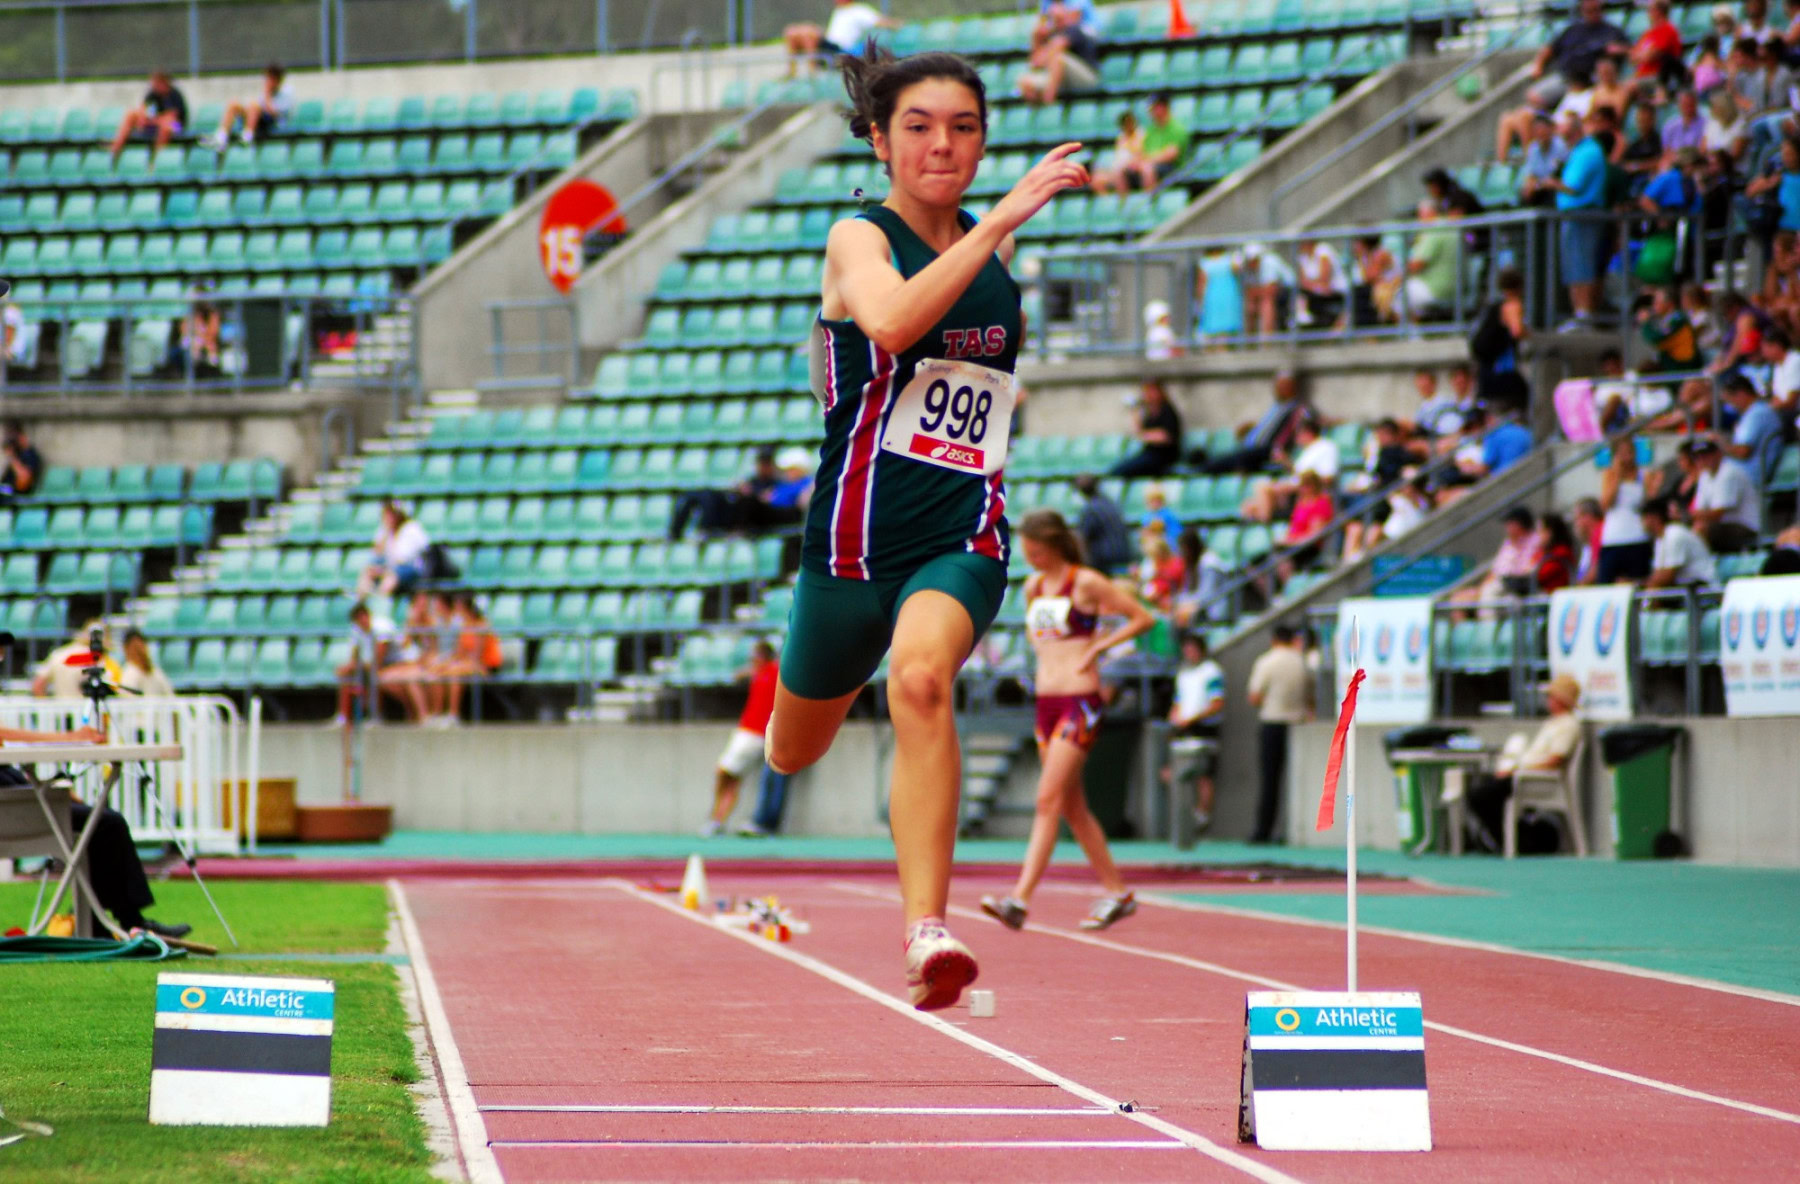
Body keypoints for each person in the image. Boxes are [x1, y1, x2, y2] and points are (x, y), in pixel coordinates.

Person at [762, 47, 1086, 1011]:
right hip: (849, 547)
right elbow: (896, 325)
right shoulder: (858, 240)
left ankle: (926, 931)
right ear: (879, 137)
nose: (943, 145)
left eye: (964, 127)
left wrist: (992, 234)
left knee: (920, 677)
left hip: (960, 533)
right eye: (919, 126)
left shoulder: (998, 250)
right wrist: (1000, 222)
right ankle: (812, 703)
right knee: (791, 750)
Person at [978, 510, 1152, 932]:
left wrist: (1098, 649)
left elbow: (1143, 617)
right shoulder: (1033, 587)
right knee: (1073, 808)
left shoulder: (1086, 581)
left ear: (1053, 543)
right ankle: (1117, 892)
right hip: (1046, 704)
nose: (1030, 557)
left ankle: (1018, 899)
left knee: (1046, 800)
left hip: (1080, 701)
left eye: (1036, 549)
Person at [0, 639, 189, 941]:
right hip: (16, 811)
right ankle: (127, 921)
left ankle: (103, 924)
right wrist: (69, 738)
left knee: (97, 821)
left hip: (17, 799)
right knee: (105, 823)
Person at [1494, 0, 1629, 162]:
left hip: (1586, 83)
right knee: (1517, 112)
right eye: (1587, 9)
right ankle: (1517, 162)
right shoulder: (1573, 30)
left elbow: (1630, 50)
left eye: (1595, 9)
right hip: (1565, 80)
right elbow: (1550, 48)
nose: (1591, 12)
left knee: (1527, 116)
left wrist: (1618, 50)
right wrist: (1538, 64)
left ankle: (1535, 161)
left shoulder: (1610, 32)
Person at [1463, 674, 1584, 853]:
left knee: (1481, 796)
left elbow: (1555, 760)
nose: (1547, 700)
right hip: (1524, 775)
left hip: (1536, 780)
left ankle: (1506, 840)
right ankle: (1507, 838)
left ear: (1561, 699)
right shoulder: (1552, 723)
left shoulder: (1568, 725)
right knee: (1481, 788)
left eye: (1551, 696)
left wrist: (1517, 772)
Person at [702, 640, 781, 836]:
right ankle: (717, 820)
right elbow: (747, 672)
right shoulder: (760, 673)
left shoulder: (774, 671)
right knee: (731, 778)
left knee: (726, 773)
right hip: (745, 731)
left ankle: (717, 819)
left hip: (754, 734)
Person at [1547, 106, 1614, 329]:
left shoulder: (1588, 152)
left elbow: (1573, 187)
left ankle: (1585, 314)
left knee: (1581, 264)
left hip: (1584, 215)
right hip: (1575, 216)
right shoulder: (1577, 151)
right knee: (1574, 265)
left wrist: (1548, 182)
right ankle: (1579, 314)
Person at [1247, 622, 1312, 844]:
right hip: (1297, 724)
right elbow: (1310, 695)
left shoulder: (1266, 661)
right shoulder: (1301, 662)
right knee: (1295, 780)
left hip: (1273, 722)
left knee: (1270, 780)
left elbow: (1254, 697)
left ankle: (1264, 829)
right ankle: (1293, 830)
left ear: (1274, 639)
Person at [669, 447, 806, 538]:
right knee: (706, 496)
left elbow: (787, 502)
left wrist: (758, 495)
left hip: (768, 514)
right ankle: (683, 532)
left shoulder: (794, 484)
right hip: (746, 510)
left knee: (748, 502)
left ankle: (720, 531)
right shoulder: (759, 481)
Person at [1167, 631, 1225, 832]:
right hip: (1184, 727)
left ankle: (1202, 815)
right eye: (1186, 648)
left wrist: (1193, 718)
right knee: (1174, 771)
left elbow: (1217, 703)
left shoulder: (1211, 671)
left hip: (1204, 727)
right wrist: (1175, 717)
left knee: (1204, 774)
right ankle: (1184, 815)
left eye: (1192, 648)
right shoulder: (1183, 674)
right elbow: (1178, 702)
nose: (1189, 652)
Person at [1202, 369, 1306, 474]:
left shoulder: (1296, 409)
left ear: (1293, 387)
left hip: (1270, 450)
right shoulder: (1276, 407)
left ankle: (1206, 468)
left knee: (1240, 458)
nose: (1278, 389)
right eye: (1277, 385)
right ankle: (1204, 466)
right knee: (1229, 457)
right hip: (1253, 449)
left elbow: (1308, 424)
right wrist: (1252, 428)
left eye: (1283, 385)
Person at [427, 593, 504, 725]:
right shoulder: (464, 627)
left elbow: (476, 658)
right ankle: (437, 714)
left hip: (485, 667)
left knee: (455, 675)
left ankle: (453, 715)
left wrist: (455, 666)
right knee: (437, 672)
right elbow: (459, 654)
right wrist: (445, 664)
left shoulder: (481, 626)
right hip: (466, 664)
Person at [333, 600, 404, 726]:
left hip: (394, 664)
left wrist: (361, 665)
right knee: (347, 675)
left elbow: (380, 658)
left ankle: (376, 715)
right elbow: (354, 656)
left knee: (374, 675)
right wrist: (350, 666)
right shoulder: (357, 630)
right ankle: (343, 716)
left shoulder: (382, 626)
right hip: (369, 665)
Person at [1686, 435, 1763, 551]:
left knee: (1701, 529)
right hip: (1724, 527)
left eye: (1706, 455)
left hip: (1745, 526)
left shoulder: (1729, 472)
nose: (1702, 460)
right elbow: (1700, 510)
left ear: (1718, 454)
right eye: (1698, 457)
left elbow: (1718, 513)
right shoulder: (1705, 476)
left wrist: (1687, 515)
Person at [1017, 0, 1102, 105]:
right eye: (1052, 18)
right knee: (1024, 81)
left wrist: (1044, 56)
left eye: (1058, 17)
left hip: (1087, 79)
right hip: (1061, 80)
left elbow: (1055, 48)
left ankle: (1049, 102)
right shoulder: (1053, 33)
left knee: (1058, 59)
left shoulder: (1074, 30)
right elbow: (1035, 63)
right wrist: (1037, 39)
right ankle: (1040, 113)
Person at [783, 0, 897, 76]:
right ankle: (792, 72)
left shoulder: (859, 10)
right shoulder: (839, 11)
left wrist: (899, 24)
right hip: (829, 44)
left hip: (840, 49)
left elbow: (880, 21)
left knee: (808, 33)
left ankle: (812, 72)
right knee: (791, 31)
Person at [1470, 266, 1529, 406]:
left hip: (1486, 376)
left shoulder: (1491, 308)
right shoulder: (1511, 306)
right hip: (1504, 377)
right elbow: (1517, 331)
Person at [207, 63, 294, 154]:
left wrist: (267, 94)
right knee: (234, 104)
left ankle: (247, 137)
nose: (267, 81)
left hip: (273, 124)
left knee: (253, 106)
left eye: (270, 79)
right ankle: (221, 138)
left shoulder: (287, 92)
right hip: (259, 120)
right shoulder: (266, 91)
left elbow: (274, 113)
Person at [1597, 441, 1654, 581]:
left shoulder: (1644, 475)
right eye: (1621, 453)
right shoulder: (1609, 474)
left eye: (1629, 452)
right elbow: (1606, 504)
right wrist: (1617, 476)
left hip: (1638, 536)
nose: (1626, 457)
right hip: (1613, 538)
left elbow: (1649, 503)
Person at [109, 69, 187, 167]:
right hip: (155, 124)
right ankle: (115, 149)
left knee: (166, 124)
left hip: (177, 127)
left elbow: (172, 117)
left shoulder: (174, 95)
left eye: (156, 83)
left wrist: (153, 120)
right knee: (131, 114)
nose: (153, 86)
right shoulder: (152, 94)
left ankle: (156, 160)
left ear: (164, 83)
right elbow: (144, 111)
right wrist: (144, 120)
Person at [355, 499, 431, 599]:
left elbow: (402, 560)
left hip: (411, 570)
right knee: (368, 571)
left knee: (391, 576)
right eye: (387, 513)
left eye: (392, 514)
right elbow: (377, 553)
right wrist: (385, 534)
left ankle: (379, 602)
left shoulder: (411, 529)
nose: (389, 517)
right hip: (390, 568)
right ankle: (360, 601)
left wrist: (384, 570)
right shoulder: (384, 530)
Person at [1723, 371, 1786, 482]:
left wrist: (1720, 444)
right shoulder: (1751, 413)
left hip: (1750, 477)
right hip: (1740, 475)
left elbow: (1743, 452)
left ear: (1741, 394)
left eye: (1730, 399)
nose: (1730, 405)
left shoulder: (1757, 413)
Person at [1109, 380, 1183, 477]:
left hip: (1163, 456)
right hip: (1149, 453)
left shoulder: (1167, 411)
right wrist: (1134, 410)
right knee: (1119, 468)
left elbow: (1166, 437)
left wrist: (1145, 436)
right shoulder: (1149, 413)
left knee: (1124, 469)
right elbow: (1139, 431)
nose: (1148, 395)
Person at [33, 621, 122, 699]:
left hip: (60, 714)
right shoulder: (94, 658)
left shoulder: (58, 654)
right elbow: (109, 688)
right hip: (85, 712)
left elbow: (38, 686)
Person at [1642, 496, 1718, 586]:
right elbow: (1658, 573)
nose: (1642, 522)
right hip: (1686, 587)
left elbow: (1668, 576)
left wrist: (1640, 584)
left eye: (1643, 518)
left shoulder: (1675, 534)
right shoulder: (1660, 539)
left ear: (1653, 518)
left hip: (1702, 586)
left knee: (1655, 588)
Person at [1072, 474, 1130, 574]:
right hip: (1122, 555)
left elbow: (1083, 536)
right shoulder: (1110, 503)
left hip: (1104, 561)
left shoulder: (1091, 509)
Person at [1236, 242, 1295, 337]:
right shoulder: (1246, 267)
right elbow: (1248, 291)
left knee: (1266, 303)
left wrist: (1254, 292)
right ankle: (1250, 339)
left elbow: (1270, 290)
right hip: (1264, 292)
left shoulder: (1269, 262)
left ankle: (1267, 339)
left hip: (1288, 291)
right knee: (1250, 305)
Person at [1294, 238, 1349, 329]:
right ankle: (1302, 319)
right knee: (1298, 292)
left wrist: (1310, 284)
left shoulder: (1323, 250)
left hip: (1335, 290)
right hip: (1316, 291)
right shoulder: (1302, 257)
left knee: (1303, 294)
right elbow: (1302, 281)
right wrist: (1313, 285)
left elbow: (1324, 278)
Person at [1194, 246, 1245, 342]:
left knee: (1214, 323)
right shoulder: (1229, 259)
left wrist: (1199, 298)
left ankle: (1218, 347)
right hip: (1228, 294)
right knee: (1224, 323)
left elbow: (1201, 283)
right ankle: (1222, 346)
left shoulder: (1205, 262)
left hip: (1212, 295)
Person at [1520, 112, 1573, 205]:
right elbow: (1531, 175)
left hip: (1557, 188)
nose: (1540, 132)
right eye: (1537, 130)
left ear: (1550, 129)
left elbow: (1564, 173)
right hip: (1541, 189)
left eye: (1542, 129)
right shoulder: (1533, 148)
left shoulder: (1561, 146)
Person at [119, 628, 174, 698]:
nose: (139, 651)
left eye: (141, 646)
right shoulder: (129, 674)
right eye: (134, 648)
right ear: (126, 650)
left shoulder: (156, 672)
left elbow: (170, 696)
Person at [1410, 368, 1465, 438]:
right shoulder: (1420, 411)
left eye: (1426, 385)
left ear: (1434, 383)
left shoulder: (1447, 403)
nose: (1423, 387)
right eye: (1421, 386)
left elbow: (1452, 428)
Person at [1536, 511, 1578, 592]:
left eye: (1541, 531)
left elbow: (1542, 574)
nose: (1538, 536)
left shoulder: (1562, 552)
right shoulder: (1543, 552)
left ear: (1550, 532)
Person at [2, 419, 43, 498]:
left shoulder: (30, 455)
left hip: (18, 496)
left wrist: (12, 457)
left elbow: (23, 484)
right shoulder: (17, 455)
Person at [1571, 496, 1605, 583]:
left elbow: (1596, 571)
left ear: (1587, 517)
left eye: (1576, 518)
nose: (1575, 524)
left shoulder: (1600, 532)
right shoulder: (1587, 545)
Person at [1663, 90, 1708, 154]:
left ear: (1696, 104)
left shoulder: (1706, 124)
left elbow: (1704, 149)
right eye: (1685, 104)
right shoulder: (1670, 126)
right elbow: (1666, 150)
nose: (1688, 108)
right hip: (1675, 160)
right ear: (1679, 105)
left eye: (1690, 104)